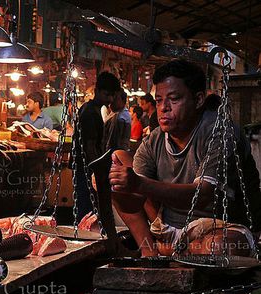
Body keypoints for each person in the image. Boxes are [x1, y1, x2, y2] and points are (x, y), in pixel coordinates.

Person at [109, 59, 261, 257]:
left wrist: (138, 183)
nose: (164, 108)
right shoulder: (154, 139)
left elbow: (202, 195)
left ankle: (172, 251)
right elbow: (134, 204)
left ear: (198, 100)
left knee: (218, 248)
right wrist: (114, 188)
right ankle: (150, 252)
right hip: (171, 230)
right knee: (118, 159)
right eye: (159, 100)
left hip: (222, 228)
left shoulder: (221, 131)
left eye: (174, 99)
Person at [72, 71, 121, 252]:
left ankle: (89, 243)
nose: (109, 99)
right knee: (86, 207)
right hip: (85, 167)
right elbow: (90, 146)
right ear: (98, 91)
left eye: (112, 95)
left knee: (90, 207)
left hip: (87, 167)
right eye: (107, 94)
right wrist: (96, 170)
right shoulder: (89, 113)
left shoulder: (93, 110)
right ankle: (83, 247)